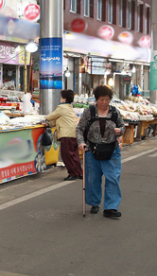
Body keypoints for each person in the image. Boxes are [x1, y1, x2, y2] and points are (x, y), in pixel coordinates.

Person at [76, 85, 125, 219]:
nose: (104, 103)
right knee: (92, 179)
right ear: (96, 99)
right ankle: (94, 203)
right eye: (101, 100)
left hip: (112, 150)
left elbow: (122, 126)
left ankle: (111, 208)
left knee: (113, 178)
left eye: (107, 100)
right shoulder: (89, 112)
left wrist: (120, 131)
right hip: (92, 150)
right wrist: (81, 142)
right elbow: (79, 128)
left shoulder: (114, 112)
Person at [45, 90, 82, 181]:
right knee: (74, 155)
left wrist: (41, 118)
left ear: (64, 98)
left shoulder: (61, 107)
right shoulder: (69, 107)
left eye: (61, 97)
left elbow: (50, 117)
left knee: (66, 155)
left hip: (66, 135)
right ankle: (79, 172)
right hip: (74, 134)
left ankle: (73, 173)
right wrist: (49, 125)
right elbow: (58, 120)